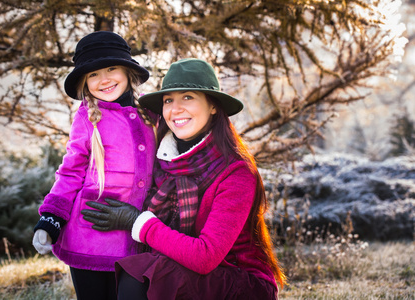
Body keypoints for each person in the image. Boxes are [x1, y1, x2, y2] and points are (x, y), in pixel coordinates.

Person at [82, 58, 286, 299]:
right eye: (168, 100)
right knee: (140, 269)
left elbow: (205, 257)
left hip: (240, 283)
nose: (175, 109)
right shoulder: (164, 163)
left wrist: (137, 222)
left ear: (212, 106)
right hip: (189, 273)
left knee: (143, 273)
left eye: (188, 97)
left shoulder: (236, 172)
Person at [32, 31, 156, 300]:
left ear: (127, 70)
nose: (105, 79)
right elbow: (70, 171)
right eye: (94, 74)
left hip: (138, 235)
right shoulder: (88, 118)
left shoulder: (151, 112)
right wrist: (50, 217)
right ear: (85, 82)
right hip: (89, 237)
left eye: (111, 68)